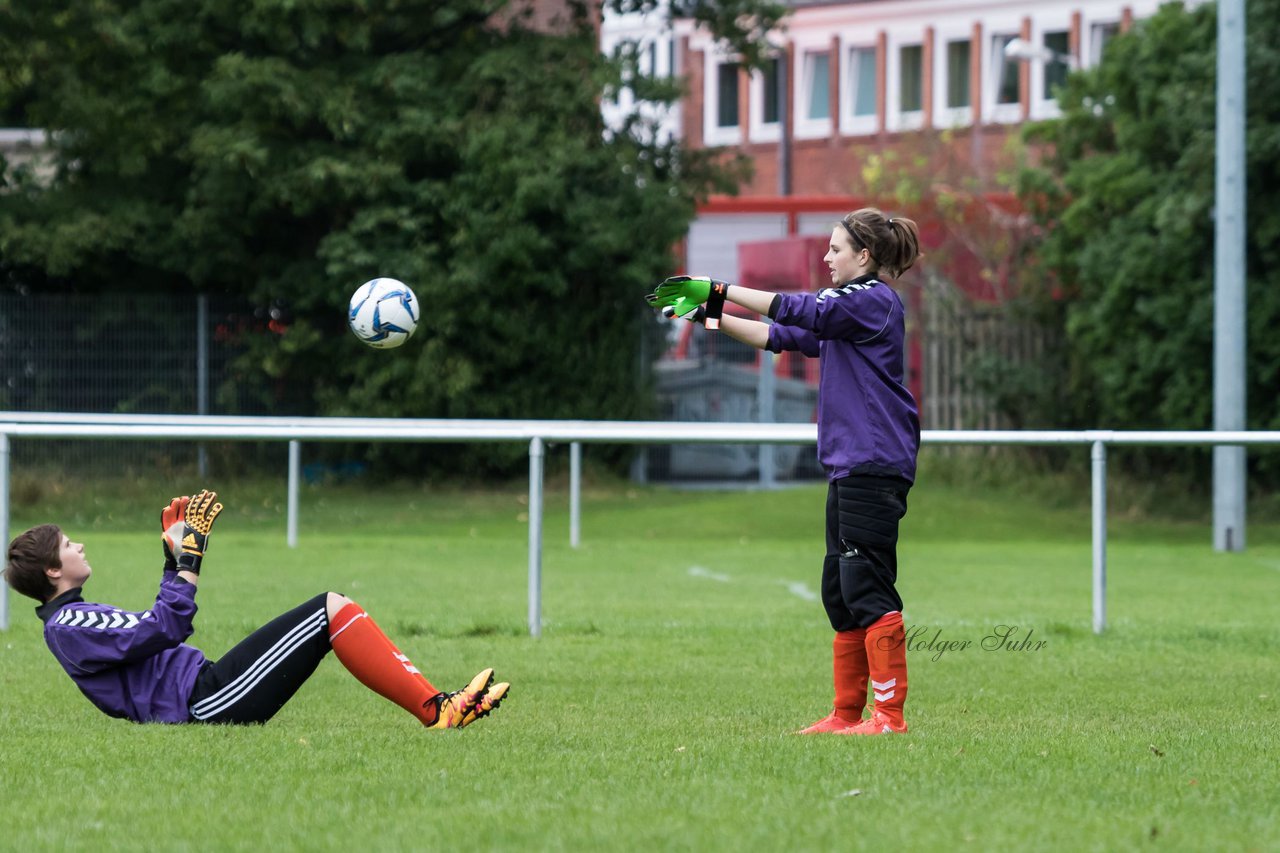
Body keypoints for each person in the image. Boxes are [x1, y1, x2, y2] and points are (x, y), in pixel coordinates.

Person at [647, 208, 921, 735]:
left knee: (867, 587)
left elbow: (799, 308)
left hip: (874, 462)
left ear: (864, 256)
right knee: (839, 592)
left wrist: (720, 288)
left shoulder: (871, 300)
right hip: (848, 466)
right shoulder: (848, 312)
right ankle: (846, 715)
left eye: (836, 249)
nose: (827, 257)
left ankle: (889, 717)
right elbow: (780, 335)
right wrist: (704, 312)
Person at [3, 489, 510, 727]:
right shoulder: (71, 624)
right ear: (53, 571)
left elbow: (153, 633)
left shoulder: (74, 619)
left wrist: (170, 561)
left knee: (331, 609)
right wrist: (190, 560)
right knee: (331, 609)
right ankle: (439, 710)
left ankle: (441, 707)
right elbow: (168, 625)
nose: (81, 546)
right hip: (203, 703)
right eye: (69, 545)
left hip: (205, 691)